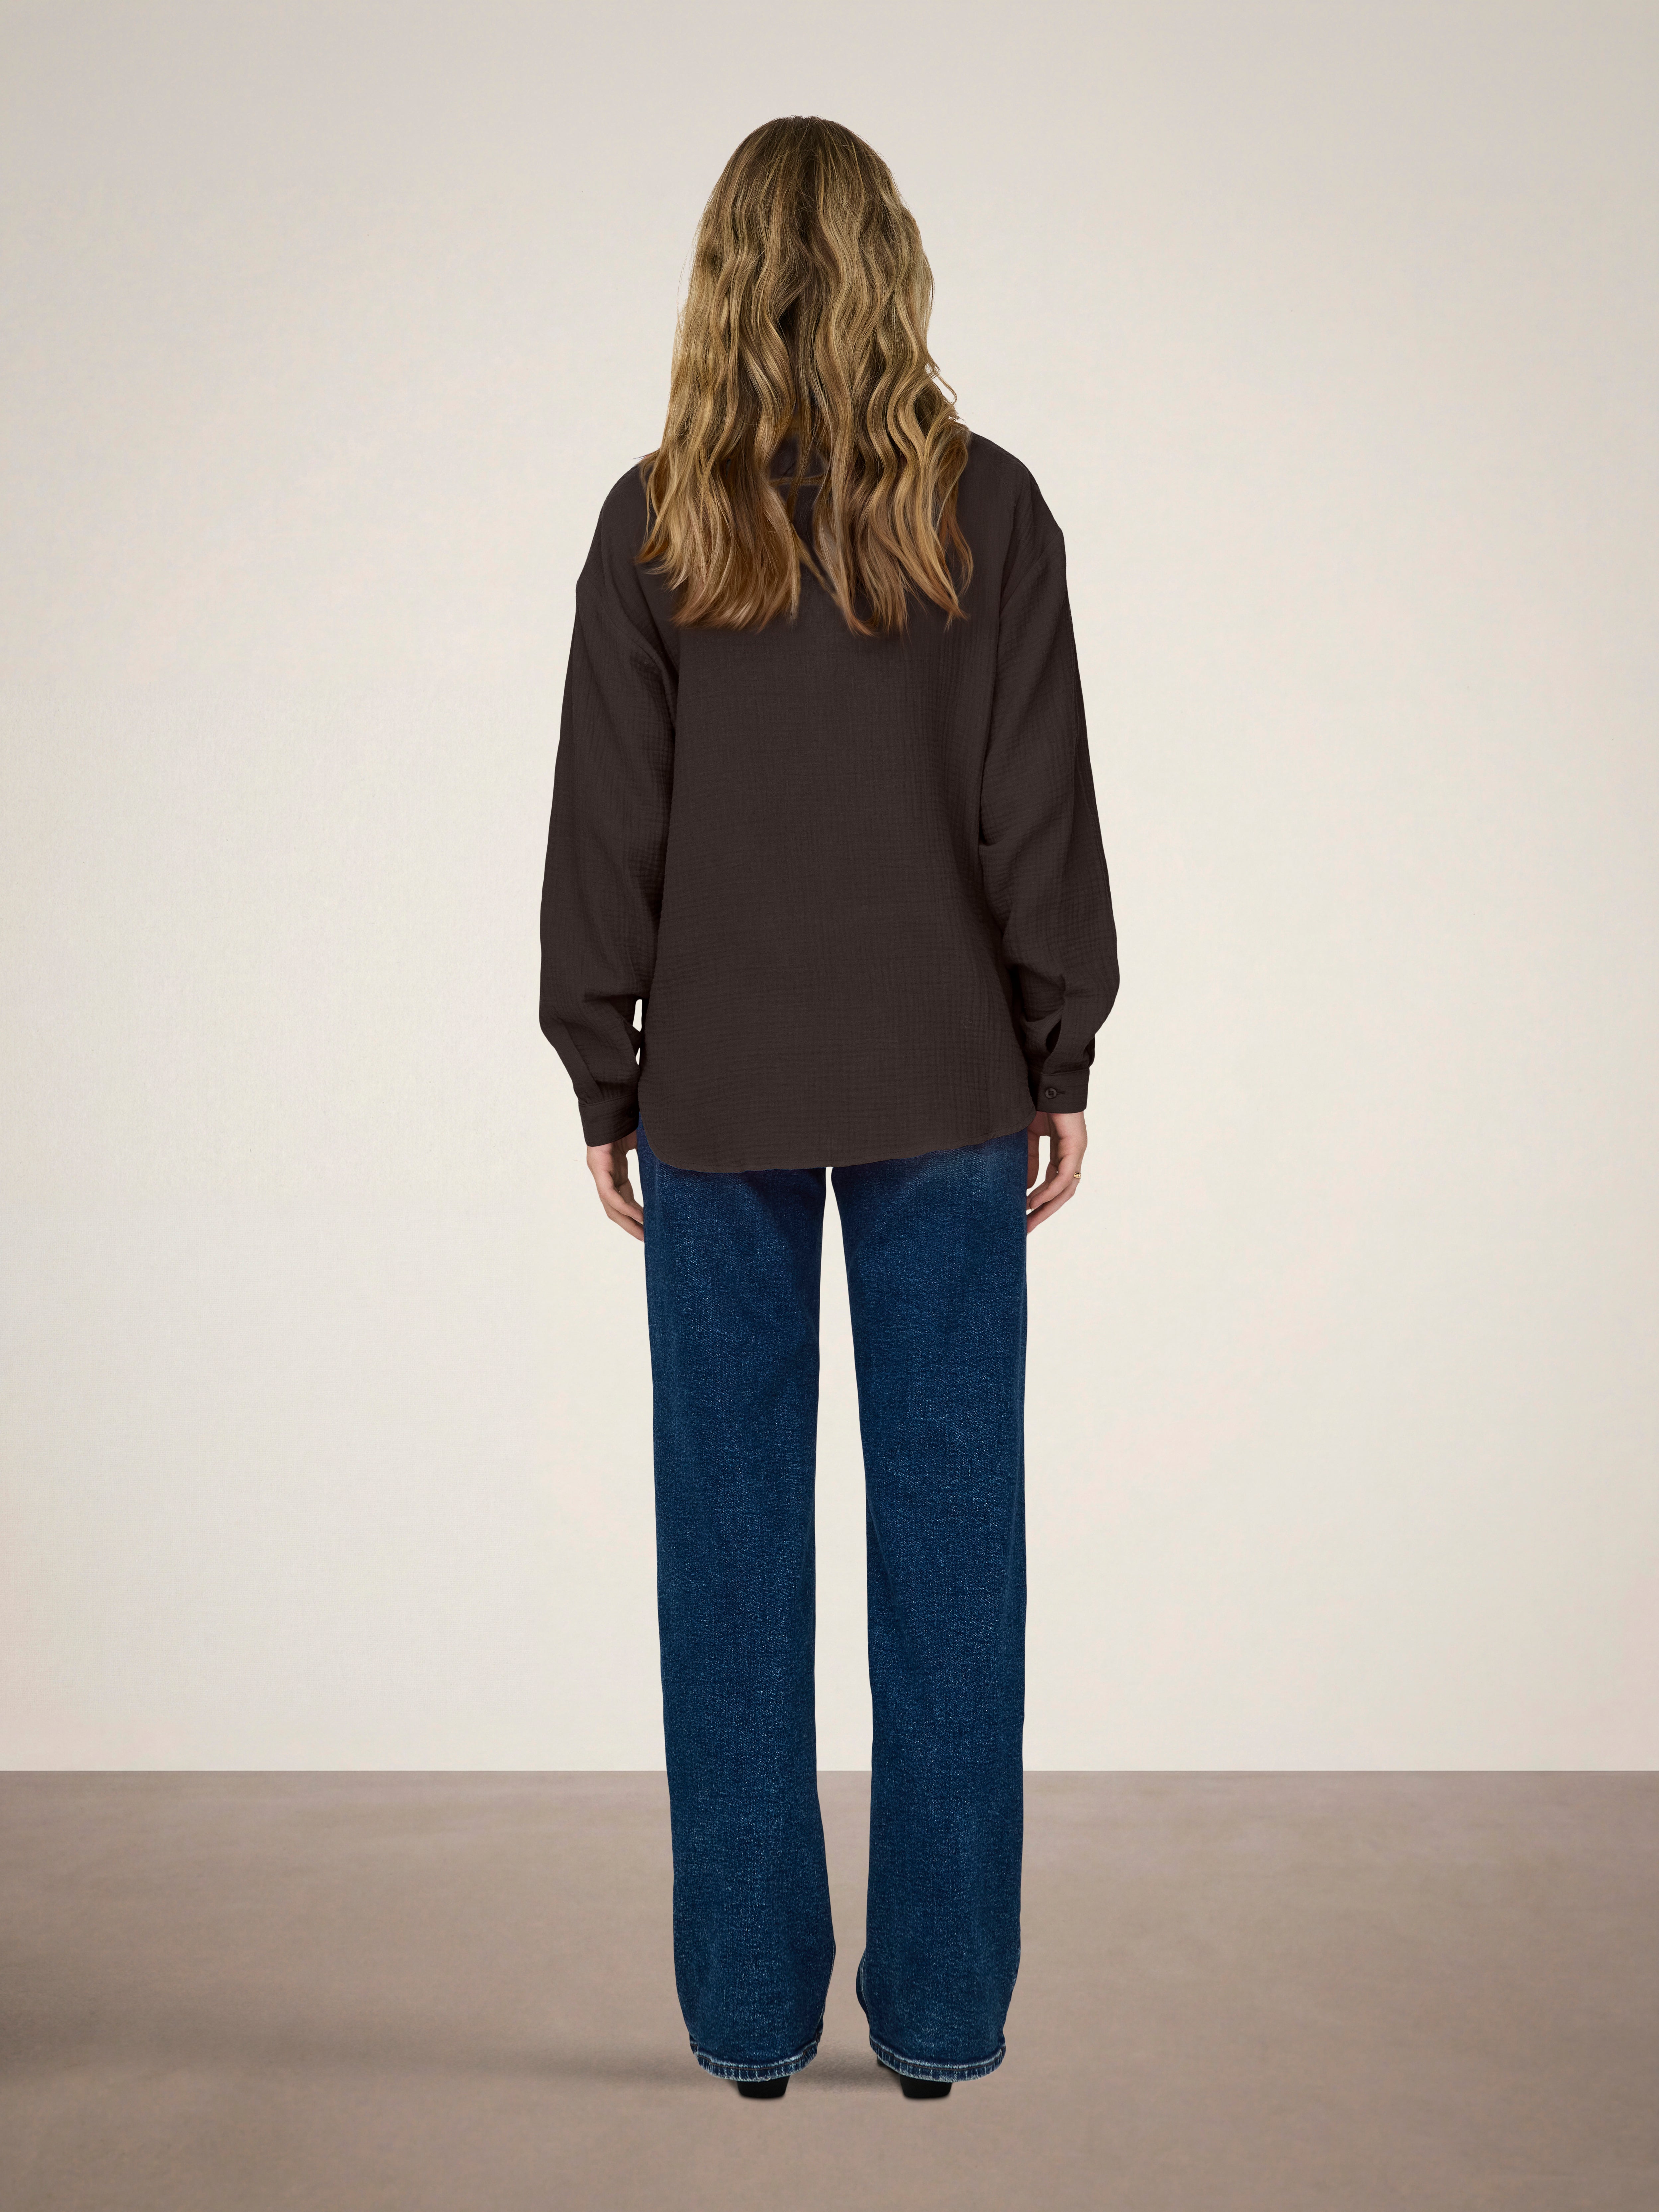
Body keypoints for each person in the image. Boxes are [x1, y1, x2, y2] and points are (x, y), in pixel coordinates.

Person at [538, 116, 1119, 2101]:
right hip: (948, 1081)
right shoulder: (988, 512)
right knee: (954, 1550)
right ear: (893, 266)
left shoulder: (658, 524)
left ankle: (750, 2020)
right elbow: (1034, 807)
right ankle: (940, 2018)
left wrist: (601, 1068)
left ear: (722, 280)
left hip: (711, 1093)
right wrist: (1059, 1053)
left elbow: (606, 827)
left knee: (728, 1557)